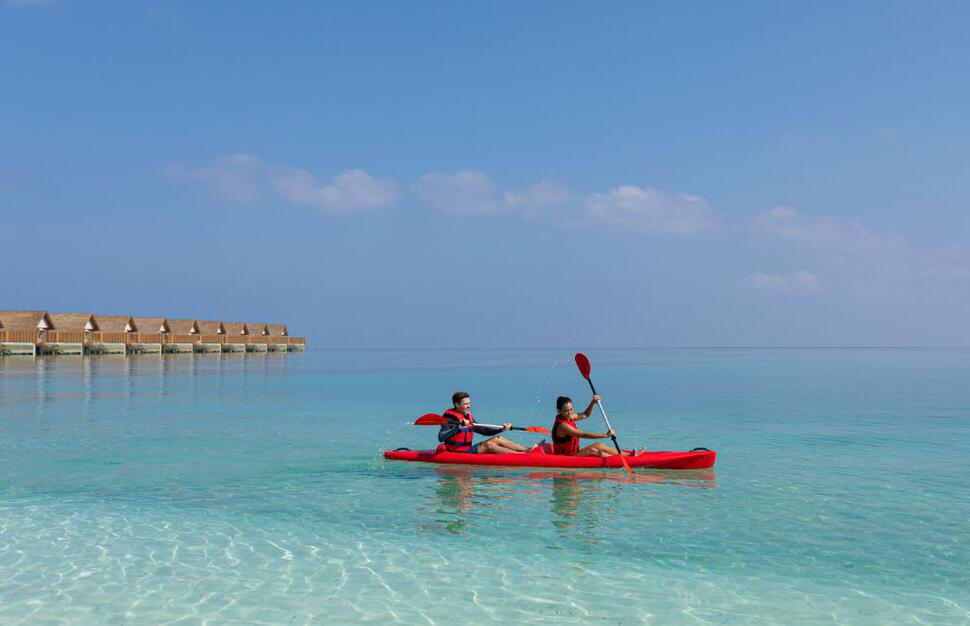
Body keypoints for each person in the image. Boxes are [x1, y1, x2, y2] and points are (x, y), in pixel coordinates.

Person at [439, 391, 534, 454]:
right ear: (457, 405)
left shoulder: (467, 415)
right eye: (466, 404)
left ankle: (527, 449)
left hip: (468, 449)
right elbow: (441, 437)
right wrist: (458, 428)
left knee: (498, 439)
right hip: (458, 452)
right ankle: (522, 455)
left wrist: (502, 429)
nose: (469, 406)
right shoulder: (449, 417)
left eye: (469, 403)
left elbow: (484, 431)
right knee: (489, 445)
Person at [551, 395, 641, 457]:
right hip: (566, 457)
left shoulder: (570, 417)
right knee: (592, 450)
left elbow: (586, 414)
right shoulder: (563, 426)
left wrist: (593, 402)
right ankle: (619, 460)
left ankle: (628, 455)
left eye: (571, 409)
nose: (570, 412)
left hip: (574, 452)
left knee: (599, 445)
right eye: (566, 411)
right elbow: (584, 434)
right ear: (559, 411)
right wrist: (605, 435)